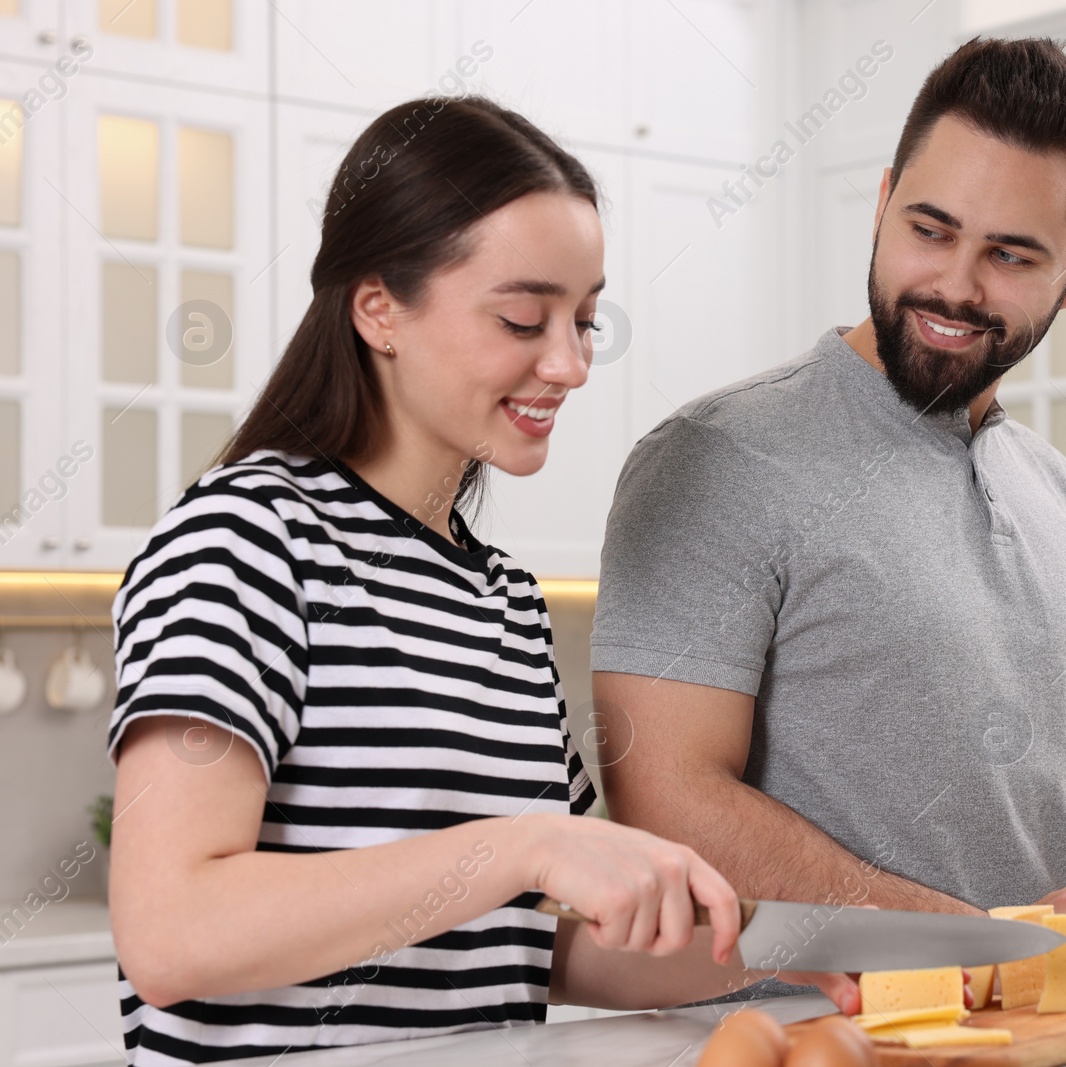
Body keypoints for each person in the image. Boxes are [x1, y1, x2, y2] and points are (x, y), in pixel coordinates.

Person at [105, 95, 850, 1065]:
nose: (570, 362)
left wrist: (797, 952)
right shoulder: (248, 539)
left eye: (584, 320)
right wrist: (524, 846)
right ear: (378, 307)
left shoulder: (501, 597)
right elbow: (170, 932)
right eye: (522, 317)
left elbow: (526, 945)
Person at [591, 38, 1066, 945]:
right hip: (792, 1033)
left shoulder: (1054, 488)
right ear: (884, 202)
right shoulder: (713, 461)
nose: (954, 285)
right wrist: (979, 936)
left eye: (1010, 255)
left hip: (1030, 1026)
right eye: (930, 230)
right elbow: (671, 805)